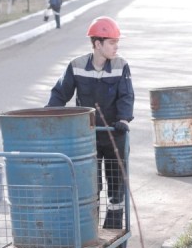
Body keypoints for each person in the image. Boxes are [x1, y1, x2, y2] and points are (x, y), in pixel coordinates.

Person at [46, 16, 134, 229]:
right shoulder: (76, 66)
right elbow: (60, 94)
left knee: (116, 185)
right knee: (90, 185)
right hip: (87, 136)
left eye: (116, 42)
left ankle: (113, 231)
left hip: (114, 133)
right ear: (97, 44)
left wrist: (123, 119)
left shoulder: (121, 66)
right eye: (112, 42)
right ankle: (89, 230)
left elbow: (126, 96)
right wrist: (49, 118)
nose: (116, 47)